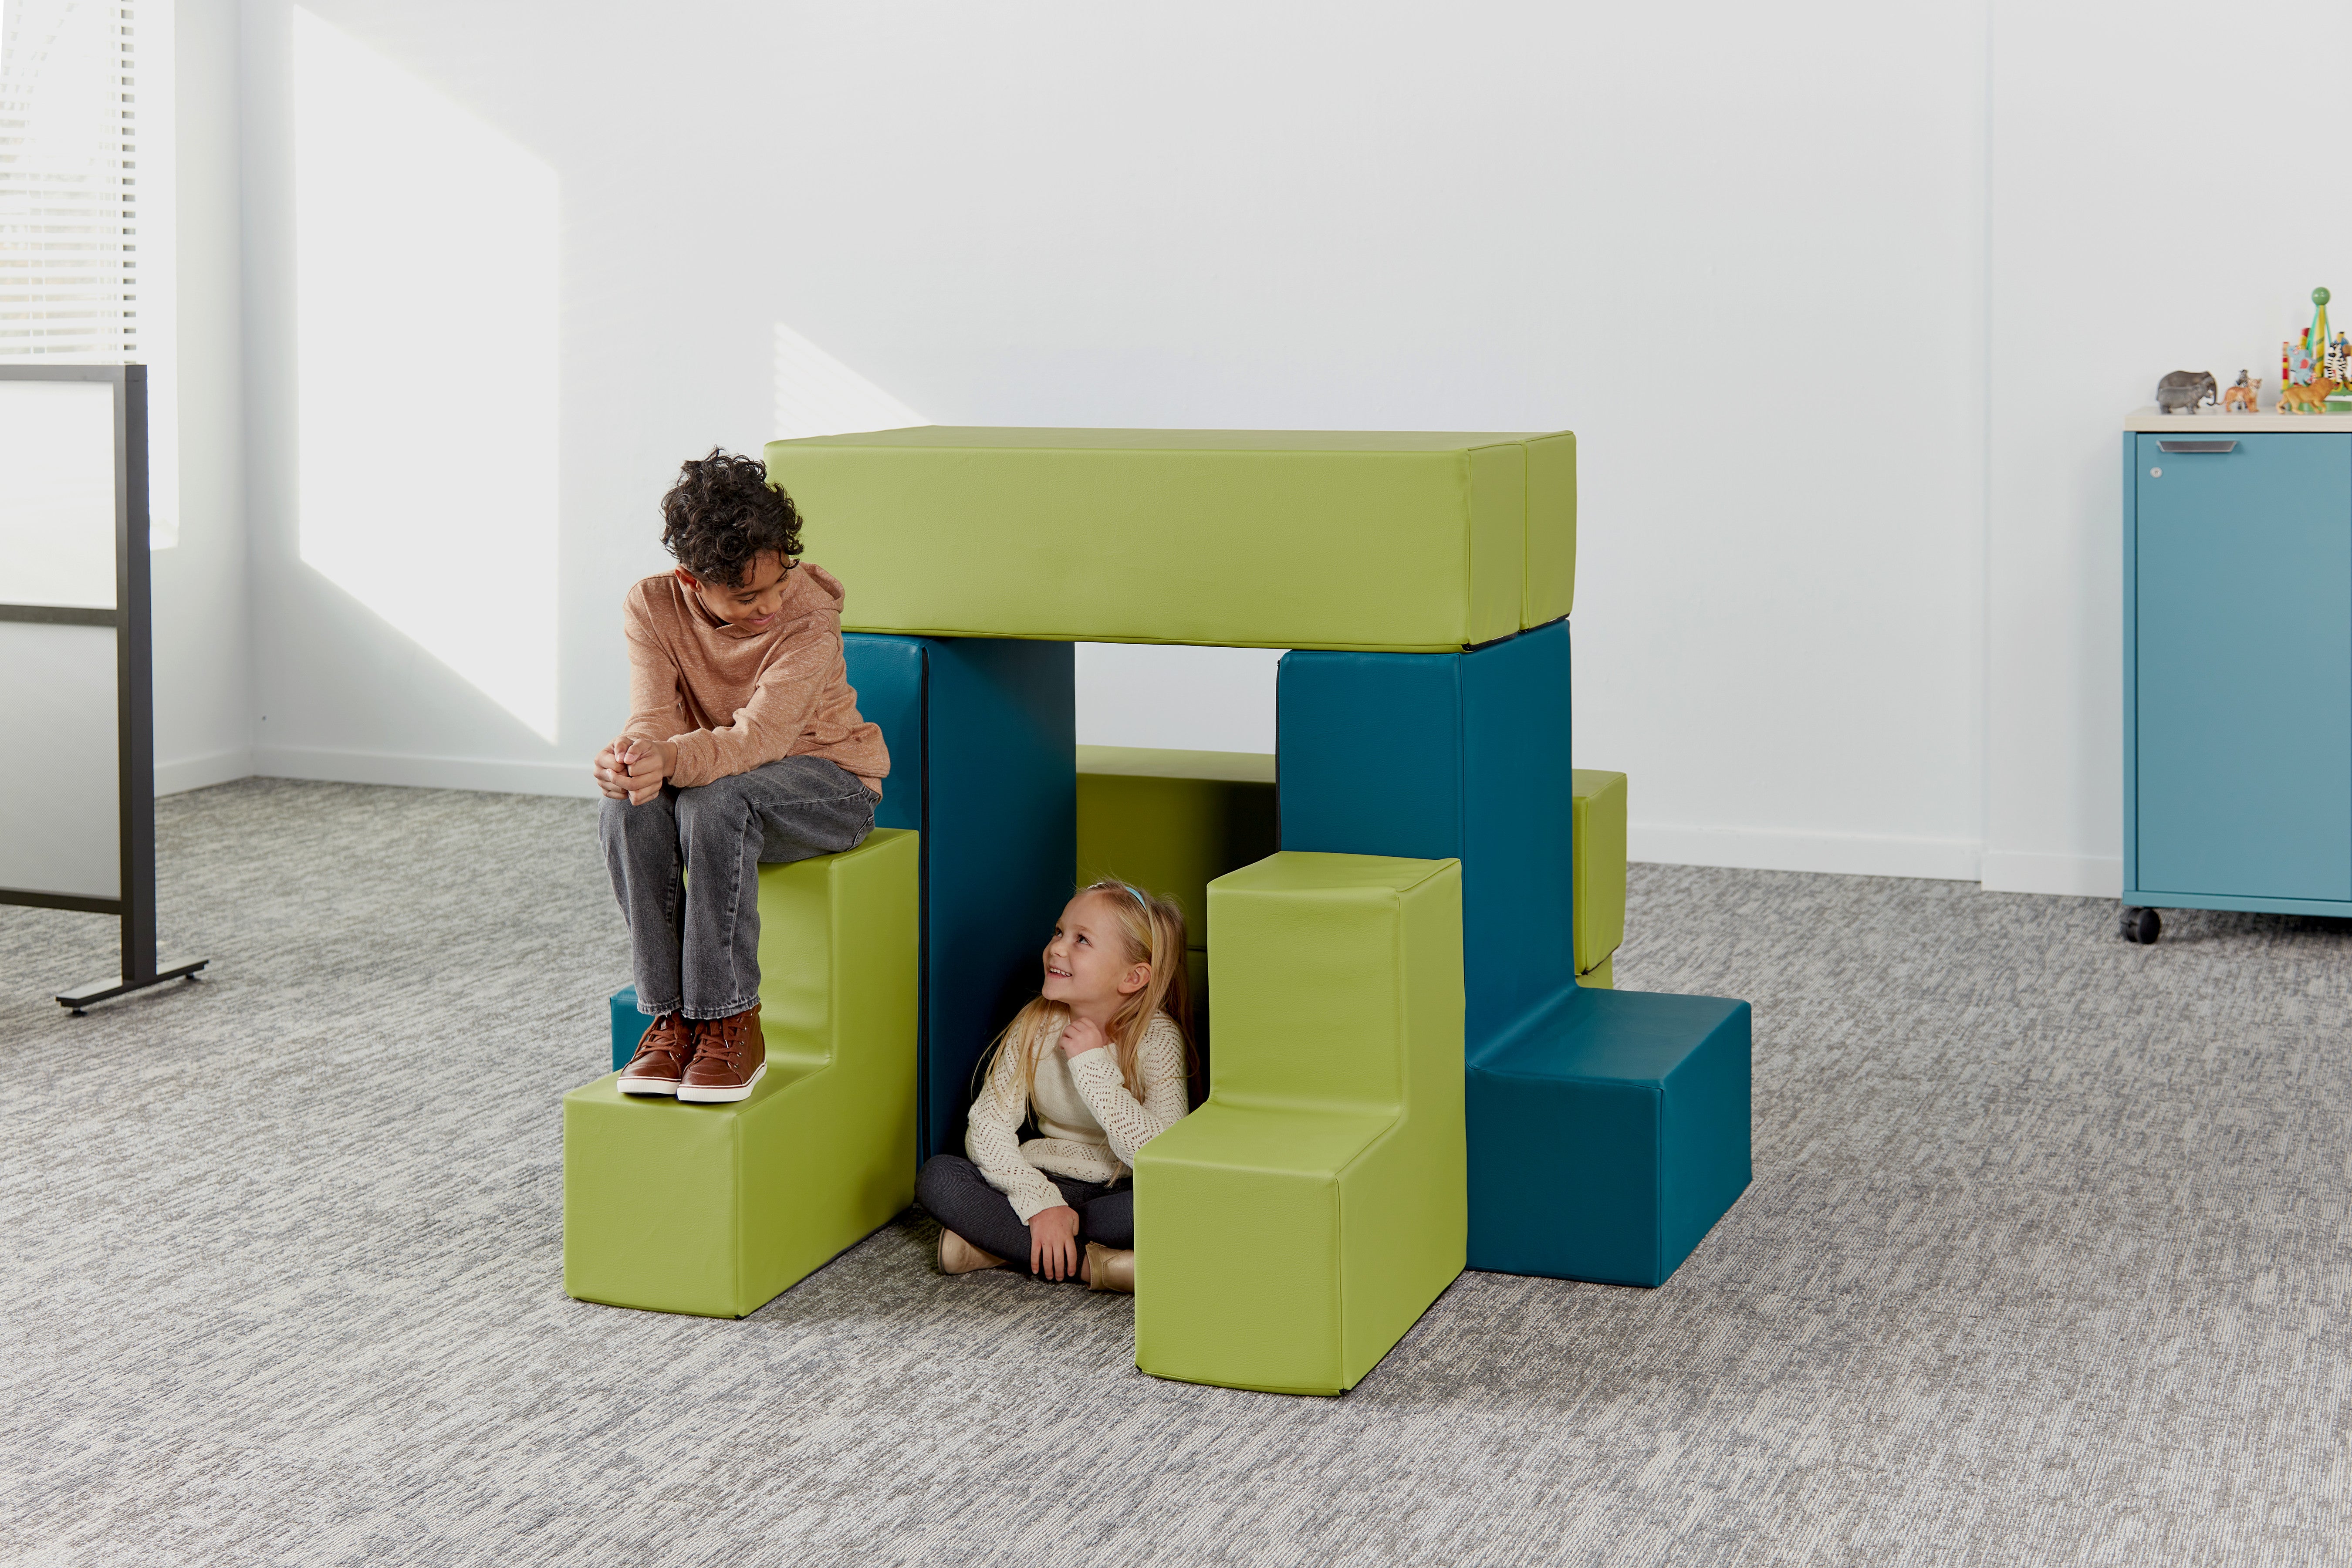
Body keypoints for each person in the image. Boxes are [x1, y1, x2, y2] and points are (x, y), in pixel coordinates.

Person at [594, 449, 888, 1104]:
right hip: (722, 779)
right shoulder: (652, 605)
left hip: (829, 785)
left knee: (714, 806)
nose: (770, 607)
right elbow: (654, 716)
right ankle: (670, 1018)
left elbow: (761, 739)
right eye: (746, 596)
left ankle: (729, 1019)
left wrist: (670, 760)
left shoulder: (810, 615)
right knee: (625, 808)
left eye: (779, 581)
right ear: (693, 581)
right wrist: (633, 759)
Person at [916, 880, 1197, 1294]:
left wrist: (1092, 1065)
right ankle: (1093, 1267)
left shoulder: (1156, 1038)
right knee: (938, 1178)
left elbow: (1165, 1156)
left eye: (1081, 940)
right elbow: (989, 1125)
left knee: (1162, 1210)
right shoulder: (1037, 1023)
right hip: (1044, 1176)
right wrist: (1040, 1202)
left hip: (1118, 1190)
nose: (1057, 949)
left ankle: (997, 1248)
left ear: (1133, 977)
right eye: (1059, 932)